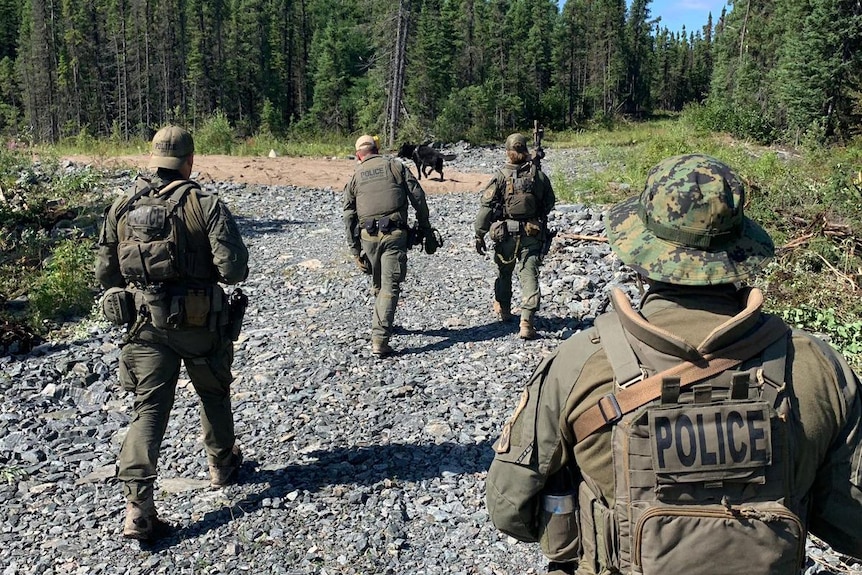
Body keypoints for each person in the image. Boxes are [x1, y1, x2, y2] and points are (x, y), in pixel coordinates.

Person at [485, 154, 862, 574]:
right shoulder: (818, 367)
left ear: (639, 256)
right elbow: (852, 524)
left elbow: (509, 507)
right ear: (740, 251)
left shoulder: (579, 363)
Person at [95, 125, 250, 541]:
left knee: (148, 413)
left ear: (152, 159)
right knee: (213, 393)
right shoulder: (205, 203)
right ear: (189, 161)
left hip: (144, 328)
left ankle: (138, 510)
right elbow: (234, 270)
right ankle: (221, 466)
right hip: (200, 324)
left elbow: (105, 274)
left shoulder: (121, 206)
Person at [343, 134, 433, 357]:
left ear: (358, 156)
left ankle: (384, 323)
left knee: (379, 281)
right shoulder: (396, 166)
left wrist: (355, 250)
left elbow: (348, 215)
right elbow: (418, 197)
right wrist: (426, 228)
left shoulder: (355, 176)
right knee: (390, 286)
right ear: (377, 148)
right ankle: (380, 340)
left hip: (368, 237)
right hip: (393, 234)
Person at [474, 132, 555, 339]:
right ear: (525, 150)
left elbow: (486, 208)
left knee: (505, 272)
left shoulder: (500, 176)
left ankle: (504, 310)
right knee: (529, 274)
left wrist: (479, 234)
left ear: (507, 153)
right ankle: (527, 321)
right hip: (531, 233)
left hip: (505, 234)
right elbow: (549, 202)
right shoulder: (538, 175)